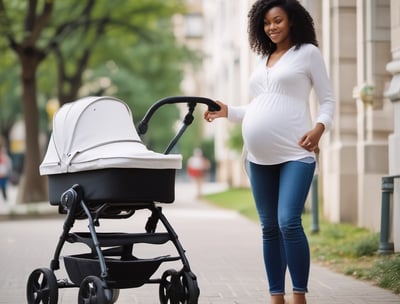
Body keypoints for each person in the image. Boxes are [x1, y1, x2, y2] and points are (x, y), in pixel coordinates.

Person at [204, 1, 335, 304]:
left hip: (296, 151)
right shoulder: (263, 58)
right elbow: (261, 105)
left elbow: (328, 99)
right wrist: (229, 112)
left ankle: (299, 294)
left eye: (277, 21)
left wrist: (319, 128)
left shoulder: (308, 53)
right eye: (266, 23)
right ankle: (276, 295)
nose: (271, 27)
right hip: (258, 157)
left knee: (288, 220)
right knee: (269, 227)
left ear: (292, 21)